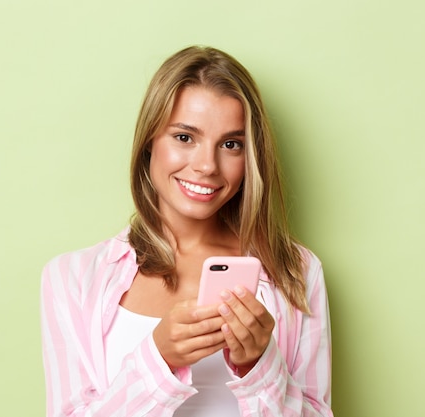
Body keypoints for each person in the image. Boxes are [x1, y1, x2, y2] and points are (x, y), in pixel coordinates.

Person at [40, 45, 333, 417]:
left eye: (231, 144)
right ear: (150, 142)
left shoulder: (296, 271)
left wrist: (260, 367)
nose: (207, 166)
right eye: (184, 137)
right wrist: (158, 359)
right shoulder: (73, 278)